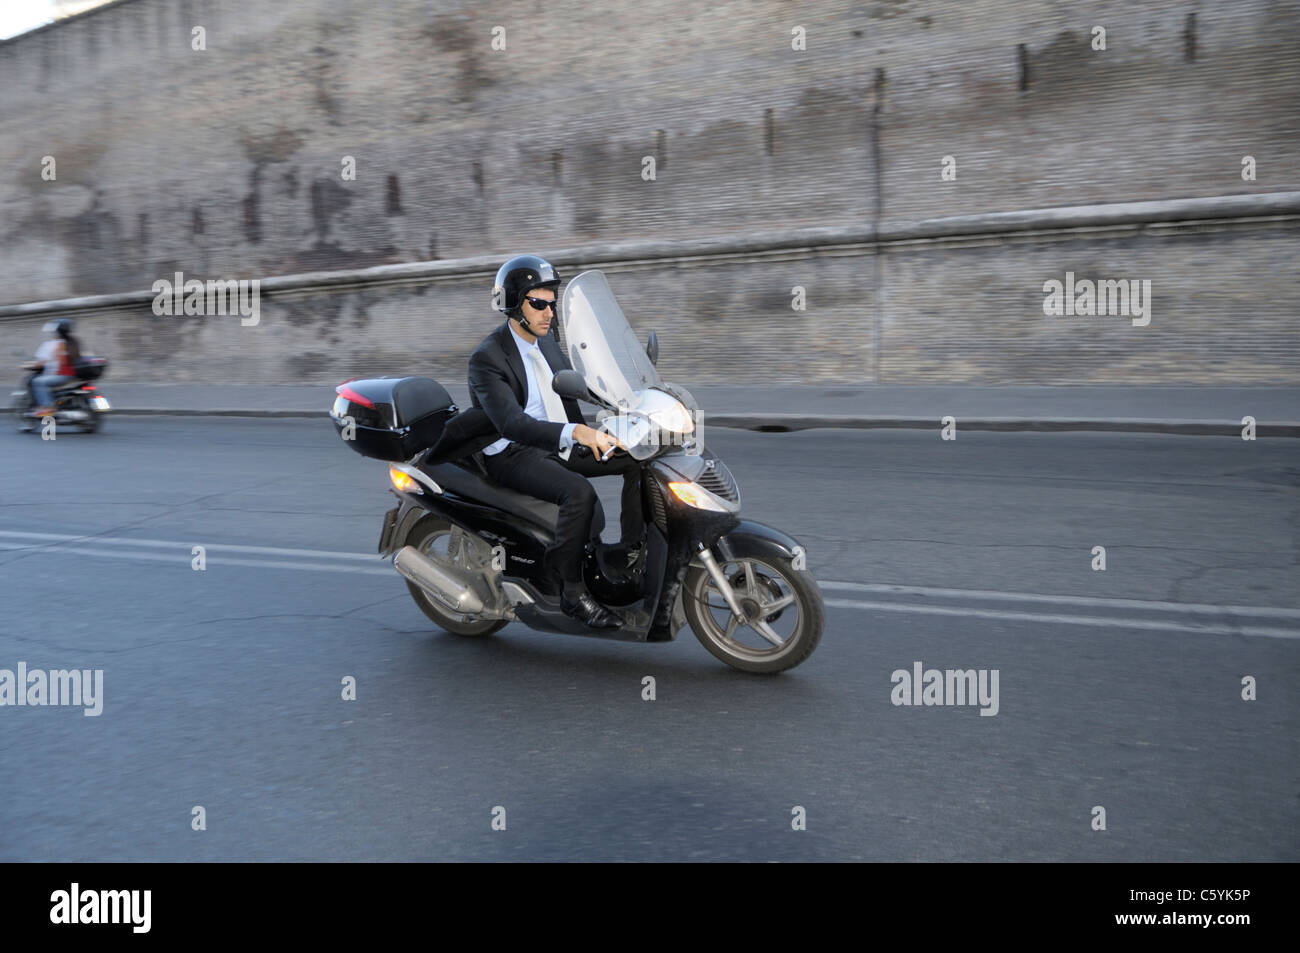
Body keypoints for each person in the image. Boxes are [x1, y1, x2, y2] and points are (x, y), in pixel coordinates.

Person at [468, 254, 646, 629]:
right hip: (513, 452)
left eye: (552, 302)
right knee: (578, 493)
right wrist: (577, 433)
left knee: (639, 458)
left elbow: (578, 382)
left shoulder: (546, 340)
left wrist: (625, 404)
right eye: (538, 303)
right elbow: (511, 423)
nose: (549, 312)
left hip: (556, 440)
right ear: (514, 305)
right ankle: (571, 591)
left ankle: (632, 551)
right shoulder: (487, 359)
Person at [25, 319, 81, 417]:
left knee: (38, 382)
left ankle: (47, 408)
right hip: (74, 374)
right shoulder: (74, 342)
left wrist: (32, 365)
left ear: (58, 331)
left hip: (64, 375)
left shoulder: (60, 344)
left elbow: (52, 361)